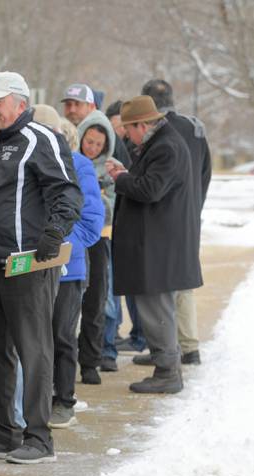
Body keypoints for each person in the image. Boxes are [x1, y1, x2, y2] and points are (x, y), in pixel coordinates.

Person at [0, 71, 82, 464]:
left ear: (21, 104)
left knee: (34, 349)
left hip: (27, 263)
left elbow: (66, 191)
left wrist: (54, 231)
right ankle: (0, 431)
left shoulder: (42, 139)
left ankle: (39, 436)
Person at [106, 95, 201, 394]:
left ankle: (167, 371)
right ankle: (164, 361)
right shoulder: (162, 143)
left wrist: (121, 178)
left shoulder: (165, 147)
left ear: (143, 125)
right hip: (158, 242)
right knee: (155, 306)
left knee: (156, 308)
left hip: (158, 245)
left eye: (128, 128)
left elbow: (149, 189)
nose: (126, 135)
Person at [30, 106, 103, 428]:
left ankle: (64, 400)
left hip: (67, 269)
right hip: (27, 266)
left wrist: (58, 244)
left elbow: (91, 222)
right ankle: (37, 400)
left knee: (61, 336)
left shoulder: (79, 165)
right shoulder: (24, 166)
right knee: (33, 339)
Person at [131, 79, 212, 367]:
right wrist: (194, 206)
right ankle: (187, 346)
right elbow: (205, 174)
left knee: (163, 284)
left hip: (161, 216)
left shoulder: (155, 132)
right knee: (182, 281)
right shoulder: (195, 128)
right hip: (189, 213)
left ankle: (170, 351)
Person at [76, 109, 119, 383]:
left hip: (100, 240)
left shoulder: (112, 170)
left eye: (98, 145)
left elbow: (112, 208)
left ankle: (91, 360)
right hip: (75, 239)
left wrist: (98, 200)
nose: (92, 148)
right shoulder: (68, 162)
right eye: (88, 141)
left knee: (96, 300)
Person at [104, 100, 147, 355]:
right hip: (122, 226)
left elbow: (144, 187)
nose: (122, 131)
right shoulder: (135, 146)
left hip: (126, 227)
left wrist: (121, 177)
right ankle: (136, 334)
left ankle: (141, 335)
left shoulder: (143, 148)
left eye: (124, 126)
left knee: (130, 286)